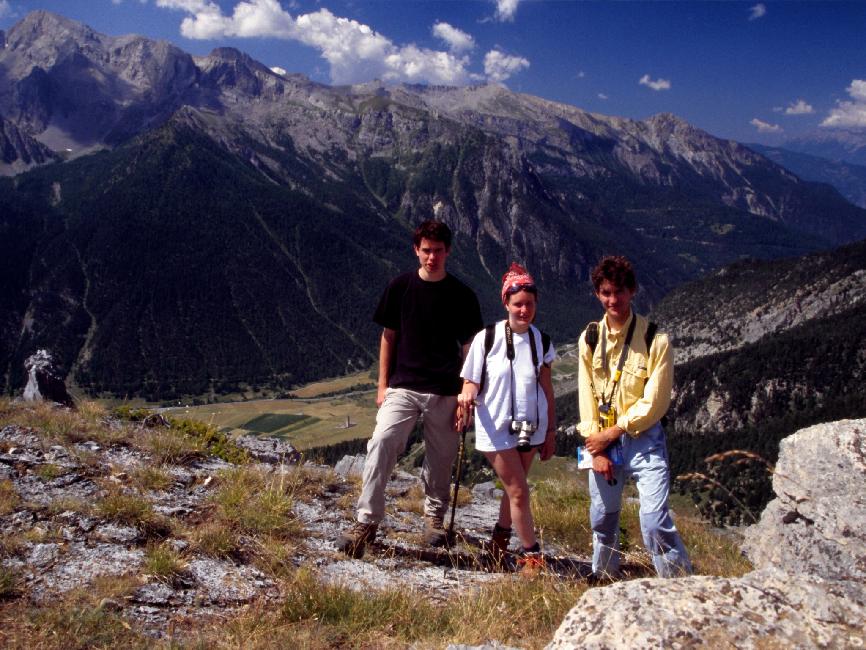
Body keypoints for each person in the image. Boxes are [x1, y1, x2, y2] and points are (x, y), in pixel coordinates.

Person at [335, 219, 483, 558]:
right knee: (382, 442)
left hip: (447, 389)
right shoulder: (400, 287)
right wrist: (382, 384)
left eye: (438, 251)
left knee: (442, 458)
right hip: (403, 386)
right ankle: (366, 522)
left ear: (448, 252)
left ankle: (434, 518)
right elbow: (389, 337)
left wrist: (465, 395)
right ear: (416, 250)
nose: (432, 257)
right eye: (426, 251)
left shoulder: (462, 295)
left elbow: (470, 351)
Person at [577, 255, 692, 580]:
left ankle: (679, 586)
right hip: (601, 443)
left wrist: (613, 432)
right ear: (598, 294)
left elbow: (655, 402)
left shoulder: (655, 340)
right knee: (603, 518)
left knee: (654, 520)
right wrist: (595, 449)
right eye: (606, 292)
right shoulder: (589, 339)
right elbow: (587, 396)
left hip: (643, 440)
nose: (613, 300)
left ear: (632, 291)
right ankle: (604, 578)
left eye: (619, 292)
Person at [457, 263, 556, 575]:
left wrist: (551, 430)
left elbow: (546, 388)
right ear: (506, 304)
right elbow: (470, 381)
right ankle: (531, 556)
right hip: (494, 425)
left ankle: (498, 543)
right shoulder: (487, 339)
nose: (524, 310)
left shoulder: (542, 341)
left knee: (516, 489)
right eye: (518, 304)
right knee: (519, 491)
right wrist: (466, 395)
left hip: (531, 426)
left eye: (529, 304)